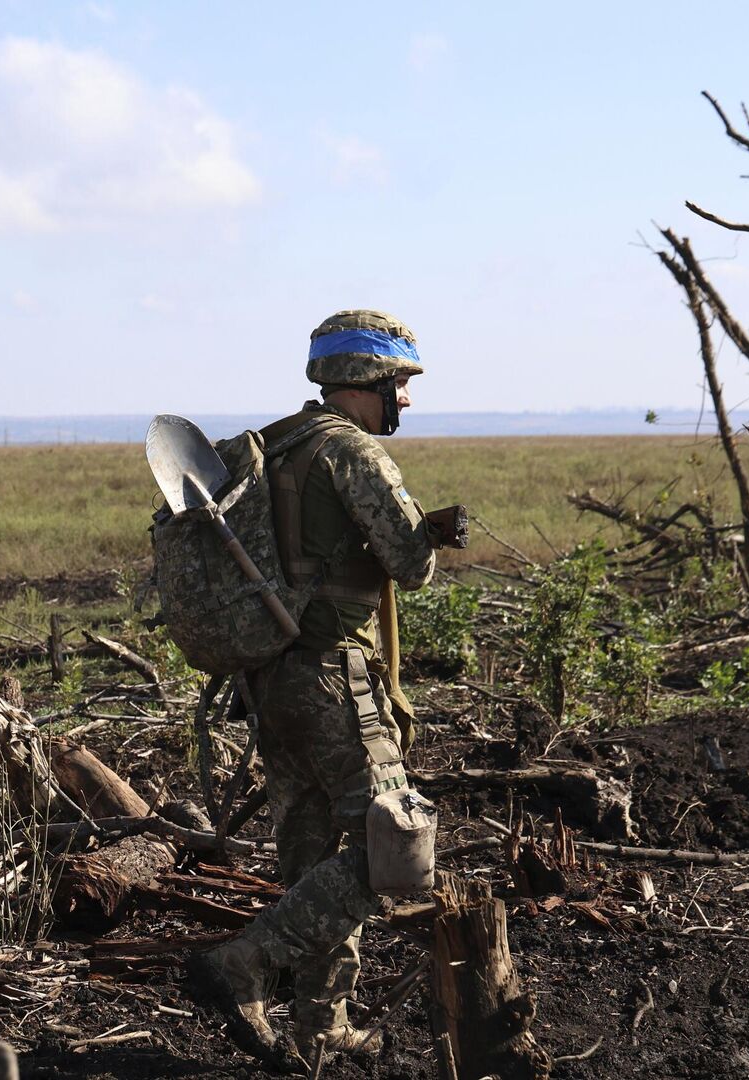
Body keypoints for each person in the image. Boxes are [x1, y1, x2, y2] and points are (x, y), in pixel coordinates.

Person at [187, 309, 466, 1069]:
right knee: (394, 847)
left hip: (272, 678)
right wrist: (430, 536)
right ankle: (247, 961)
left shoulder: (277, 444)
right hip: (333, 675)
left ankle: (321, 1026)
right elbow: (410, 566)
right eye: (398, 385)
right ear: (364, 381)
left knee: (313, 860)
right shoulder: (351, 453)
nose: (403, 402)